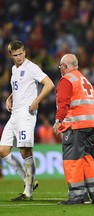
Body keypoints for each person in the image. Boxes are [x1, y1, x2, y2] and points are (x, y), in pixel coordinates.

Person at [0, 40, 54, 201]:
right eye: (15, 55)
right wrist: (10, 97)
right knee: (3, 150)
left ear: (25, 52)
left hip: (26, 114)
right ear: (10, 55)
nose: (18, 57)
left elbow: (49, 84)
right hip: (14, 114)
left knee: (25, 151)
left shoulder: (31, 67)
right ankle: (27, 179)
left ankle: (28, 191)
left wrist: (37, 101)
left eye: (21, 54)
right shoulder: (13, 69)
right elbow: (20, 88)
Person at [52, 53, 94, 205]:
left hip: (76, 125)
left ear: (65, 66)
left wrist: (58, 121)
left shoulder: (66, 80)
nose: (60, 69)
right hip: (93, 125)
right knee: (86, 158)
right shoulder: (85, 80)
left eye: (61, 66)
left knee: (72, 160)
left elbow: (63, 103)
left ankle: (76, 196)